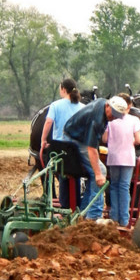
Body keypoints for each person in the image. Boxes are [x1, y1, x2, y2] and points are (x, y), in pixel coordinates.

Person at [63, 95, 129, 219]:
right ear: (108, 106)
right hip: (74, 140)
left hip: (79, 137)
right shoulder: (97, 119)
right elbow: (91, 148)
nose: (113, 117)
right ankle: (93, 215)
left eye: (116, 116)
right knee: (101, 170)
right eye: (113, 114)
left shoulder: (103, 105)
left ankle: (83, 212)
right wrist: (98, 174)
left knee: (96, 170)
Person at [40, 78, 85, 208]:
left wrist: (43, 140)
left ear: (64, 90)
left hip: (61, 148)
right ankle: (75, 206)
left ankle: (65, 207)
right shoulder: (82, 107)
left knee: (63, 175)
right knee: (75, 176)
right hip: (77, 148)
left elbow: (48, 122)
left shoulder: (55, 105)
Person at [103, 94, 140, 226]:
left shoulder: (111, 120)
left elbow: (104, 139)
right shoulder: (134, 120)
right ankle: (125, 220)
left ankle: (114, 217)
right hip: (128, 158)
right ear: (129, 106)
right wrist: (130, 140)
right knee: (124, 187)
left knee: (114, 186)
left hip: (113, 157)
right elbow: (138, 141)